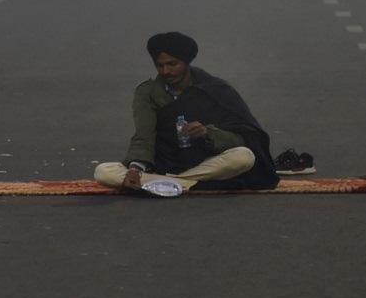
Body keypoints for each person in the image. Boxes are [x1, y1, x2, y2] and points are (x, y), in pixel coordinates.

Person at [93, 32, 279, 195]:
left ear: (186, 63)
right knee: (103, 172)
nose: (166, 71)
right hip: (163, 162)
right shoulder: (148, 93)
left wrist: (208, 133)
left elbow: (242, 138)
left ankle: (168, 183)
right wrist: (135, 168)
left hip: (206, 161)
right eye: (160, 65)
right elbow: (144, 136)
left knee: (244, 157)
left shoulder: (215, 90)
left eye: (172, 64)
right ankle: (181, 183)